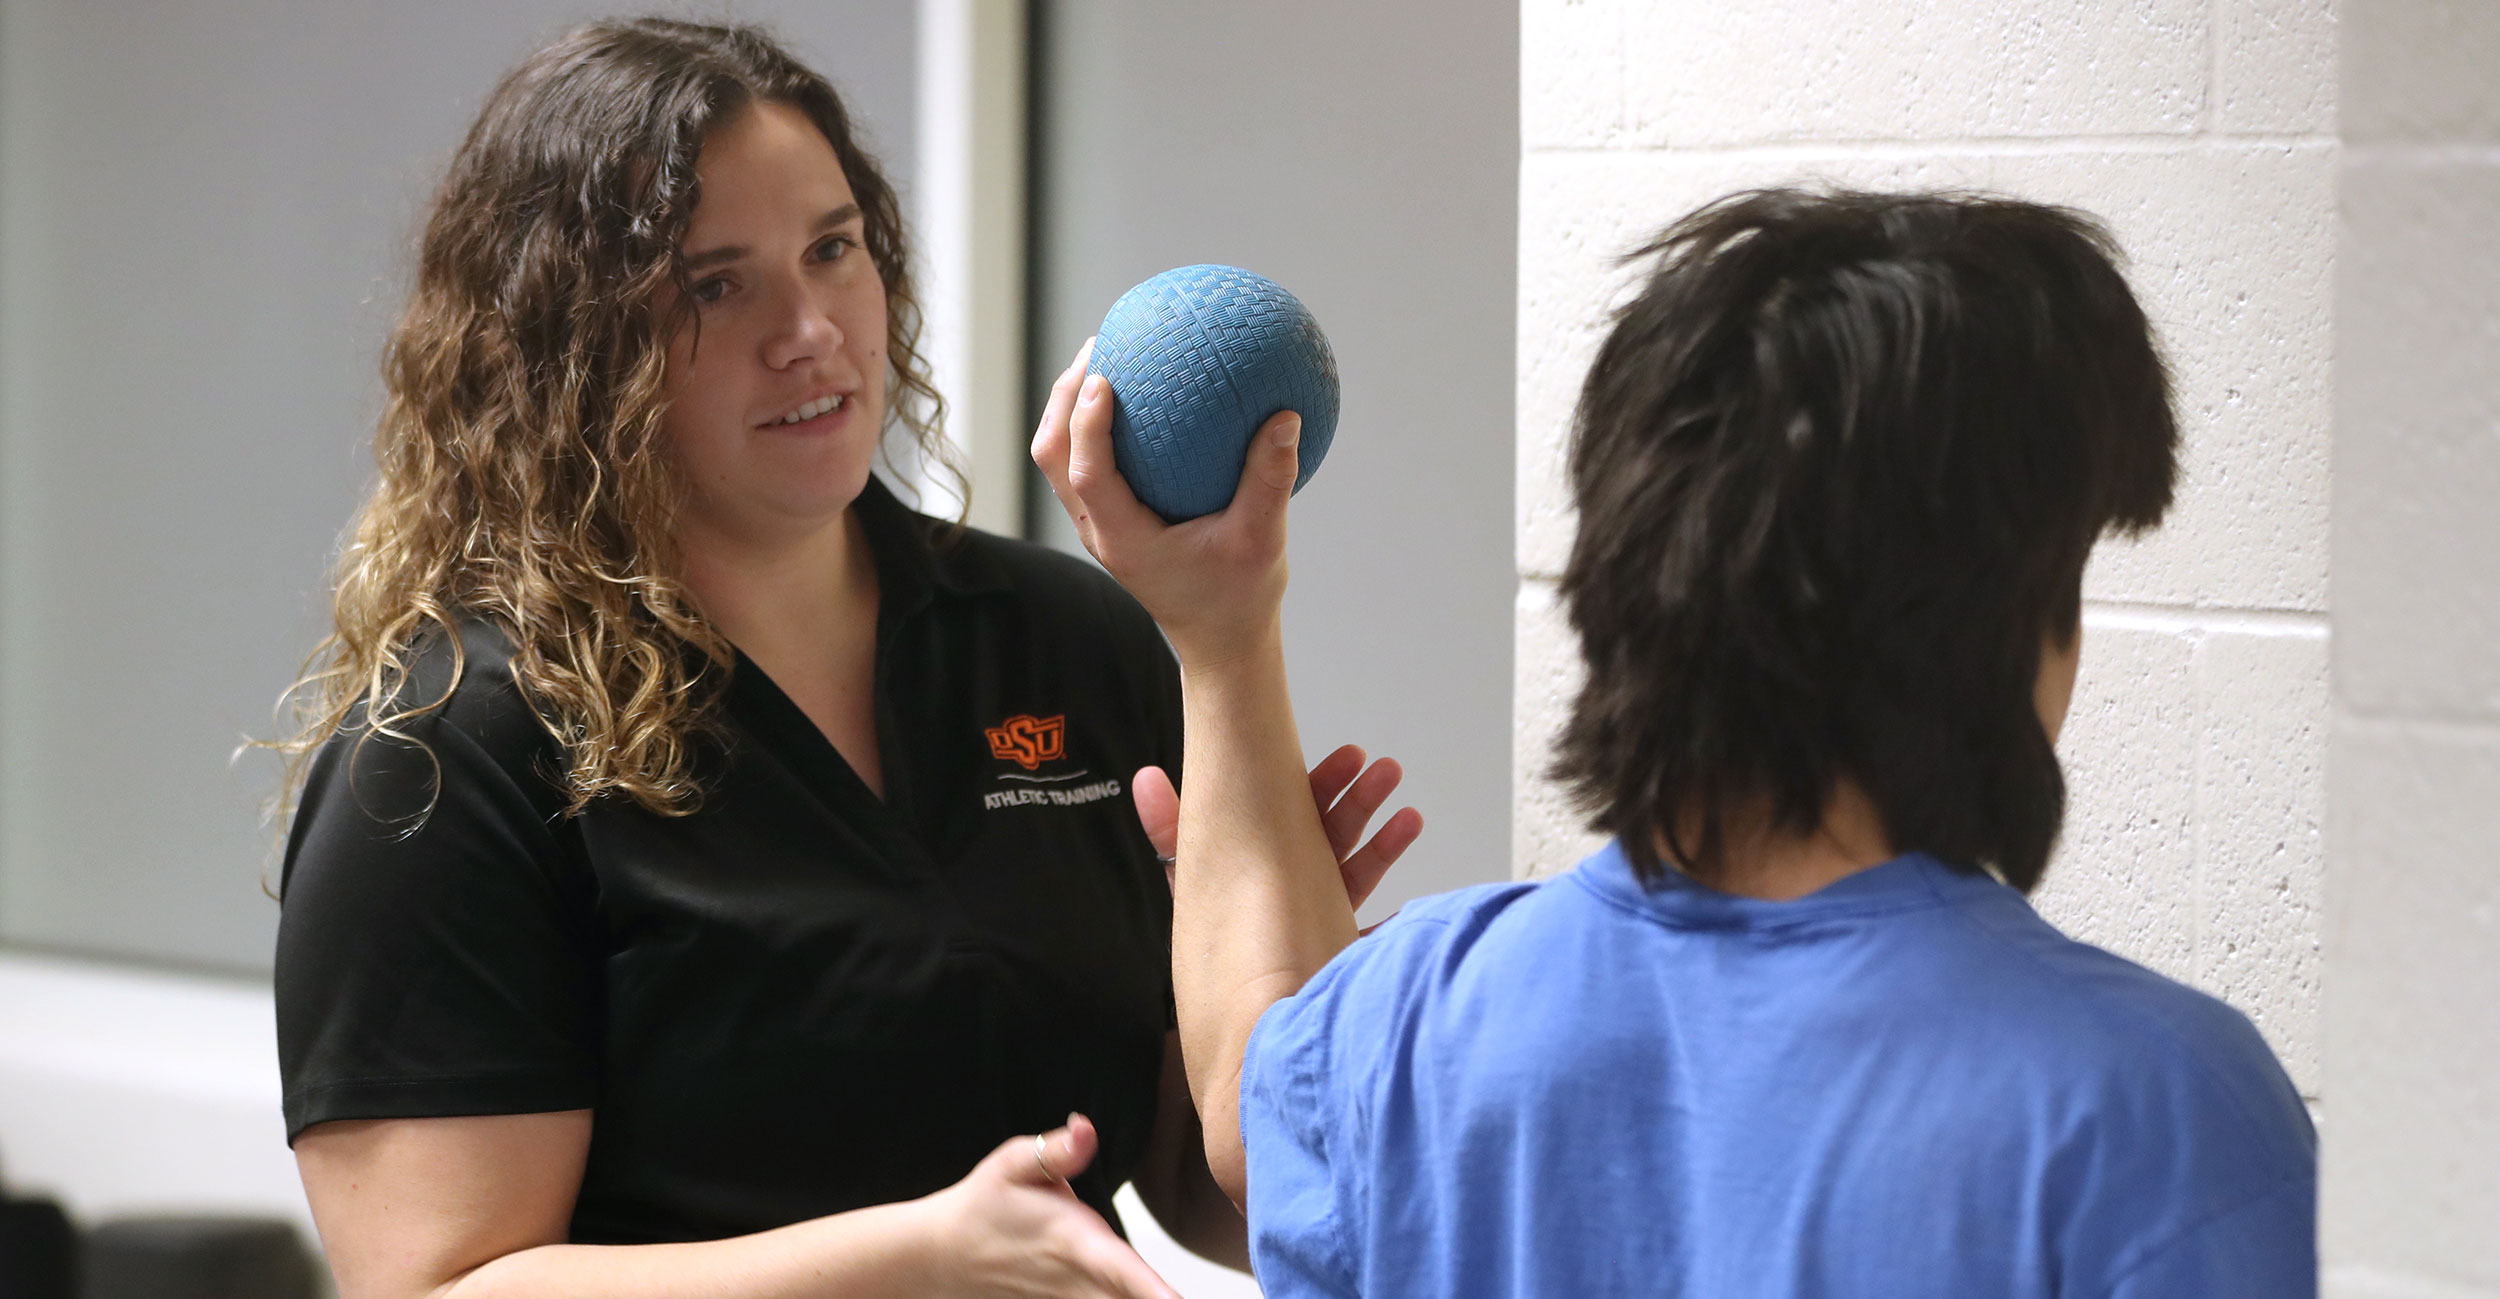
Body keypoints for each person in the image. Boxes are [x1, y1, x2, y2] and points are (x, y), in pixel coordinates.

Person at [270, 18, 1416, 1299]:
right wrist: (912, 1261)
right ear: (569, 351)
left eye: (833, 250)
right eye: (715, 283)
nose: (809, 328)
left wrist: (1265, 964)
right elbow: (427, 1286)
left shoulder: (1061, 639)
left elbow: (1243, 1201)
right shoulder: (448, 751)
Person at [1036, 188, 2318, 1296]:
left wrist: (1220, 634)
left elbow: (1248, 1071)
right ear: (2003, 621)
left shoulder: (1403, 1035)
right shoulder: (2158, 1112)